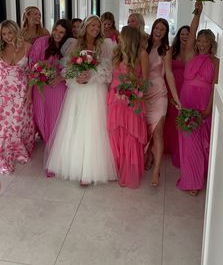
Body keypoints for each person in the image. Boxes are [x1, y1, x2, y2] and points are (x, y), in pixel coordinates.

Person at [46, 15, 117, 184]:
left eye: (97, 25)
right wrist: (77, 77)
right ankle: (75, 166)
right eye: (92, 24)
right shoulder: (75, 44)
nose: (95, 28)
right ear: (86, 26)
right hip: (78, 90)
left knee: (93, 127)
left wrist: (91, 76)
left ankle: (90, 171)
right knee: (77, 126)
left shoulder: (105, 45)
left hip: (95, 90)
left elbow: (108, 72)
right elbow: (66, 69)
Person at [177, 1, 219, 196]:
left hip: (204, 105)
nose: (201, 44)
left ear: (211, 44)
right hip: (187, 101)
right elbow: (192, 32)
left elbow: (214, 87)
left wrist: (209, 108)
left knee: (203, 142)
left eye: (205, 41)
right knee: (189, 143)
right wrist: (197, 13)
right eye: (199, 41)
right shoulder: (190, 54)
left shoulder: (216, 62)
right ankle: (191, 181)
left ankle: (200, 176)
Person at [107, 26, 149, 188]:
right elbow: (111, 77)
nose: (118, 39)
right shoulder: (116, 54)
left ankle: (129, 171)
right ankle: (116, 169)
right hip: (115, 99)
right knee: (115, 134)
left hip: (132, 99)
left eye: (121, 37)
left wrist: (132, 87)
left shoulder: (142, 54)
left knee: (130, 136)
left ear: (129, 38)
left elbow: (145, 82)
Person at [145, 18, 181, 187]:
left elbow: (169, 74)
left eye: (163, 29)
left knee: (158, 132)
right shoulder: (144, 44)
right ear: (152, 28)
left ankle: (156, 171)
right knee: (146, 131)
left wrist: (176, 97)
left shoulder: (166, 49)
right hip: (144, 93)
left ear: (166, 33)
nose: (159, 31)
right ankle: (150, 154)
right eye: (157, 28)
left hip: (159, 95)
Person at [29, 19, 73, 143]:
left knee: (56, 115)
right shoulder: (41, 42)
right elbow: (32, 63)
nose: (57, 34)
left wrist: (60, 77)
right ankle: (45, 137)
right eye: (55, 30)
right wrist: (38, 73)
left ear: (67, 34)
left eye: (61, 32)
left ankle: (54, 141)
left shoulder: (69, 46)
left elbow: (72, 68)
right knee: (40, 114)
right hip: (40, 85)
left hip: (59, 85)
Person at [0, 20, 35, 174]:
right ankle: (6, 149)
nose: (7, 37)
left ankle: (19, 148)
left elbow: (32, 72)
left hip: (21, 91)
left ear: (16, 31)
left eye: (10, 32)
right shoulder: (0, 49)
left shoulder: (27, 47)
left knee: (19, 122)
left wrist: (29, 92)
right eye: (4, 34)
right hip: (3, 92)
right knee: (5, 125)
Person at [164, 25, 190, 167]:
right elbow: (166, 71)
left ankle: (181, 153)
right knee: (172, 120)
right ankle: (172, 149)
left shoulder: (194, 52)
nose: (185, 36)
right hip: (172, 89)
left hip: (186, 90)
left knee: (182, 121)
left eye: (188, 34)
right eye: (182, 34)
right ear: (178, 36)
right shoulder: (172, 50)